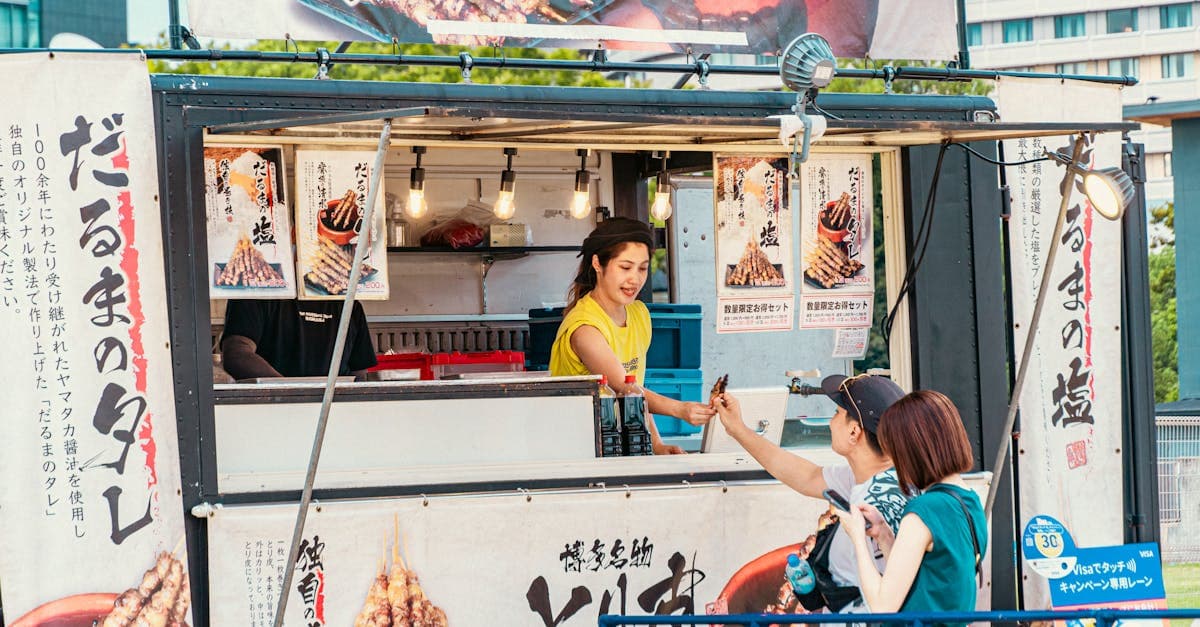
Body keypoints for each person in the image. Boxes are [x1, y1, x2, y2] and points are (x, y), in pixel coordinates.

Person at [712, 373, 909, 613]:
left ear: (854, 432)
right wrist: (737, 429)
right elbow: (806, 476)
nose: (830, 423)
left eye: (836, 413)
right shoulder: (876, 478)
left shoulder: (873, 502)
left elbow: (882, 599)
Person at [549, 217, 715, 455]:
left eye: (642, 268)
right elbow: (624, 387)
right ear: (597, 263)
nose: (635, 279)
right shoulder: (585, 328)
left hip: (620, 449)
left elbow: (636, 392)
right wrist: (680, 409)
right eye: (625, 267)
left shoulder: (638, 314)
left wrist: (657, 445)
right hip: (578, 450)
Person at [833, 390, 987, 624]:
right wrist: (884, 534)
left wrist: (857, 537)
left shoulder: (925, 510)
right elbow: (929, 577)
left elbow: (882, 606)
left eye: (895, 452)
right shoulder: (970, 501)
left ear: (912, 451)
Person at [221, 298, 377, 380]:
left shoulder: (349, 305)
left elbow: (359, 373)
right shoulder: (256, 293)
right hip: (273, 413)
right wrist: (291, 393)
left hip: (336, 414)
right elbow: (236, 354)